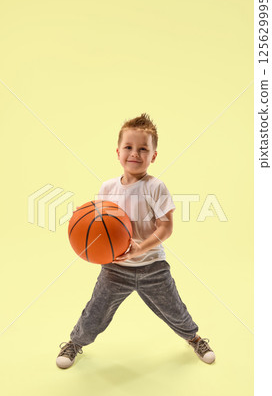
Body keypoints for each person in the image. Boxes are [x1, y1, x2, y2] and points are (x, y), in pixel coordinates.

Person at [56, 113, 215, 369]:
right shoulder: (108, 188)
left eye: (143, 149)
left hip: (152, 265)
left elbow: (166, 227)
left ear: (153, 156)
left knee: (174, 309)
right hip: (115, 268)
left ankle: (194, 338)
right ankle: (75, 344)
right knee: (95, 312)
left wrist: (140, 248)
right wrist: (85, 232)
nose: (135, 153)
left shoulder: (156, 187)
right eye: (129, 147)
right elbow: (101, 226)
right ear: (117, 151)